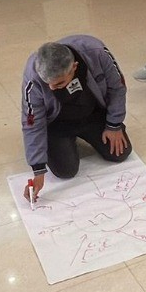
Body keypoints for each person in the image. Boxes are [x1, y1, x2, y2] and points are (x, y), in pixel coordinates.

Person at [20, 36, 131, 204]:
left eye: (59, 84)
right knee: (65, 171)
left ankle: (87, 133)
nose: (51, 88)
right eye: (48, 84)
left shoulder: (97, 52)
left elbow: (117, 88)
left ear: (74, 67)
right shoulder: (33, 76)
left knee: (120, 153)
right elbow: (32, 122)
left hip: (93, 114)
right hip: (58, 124)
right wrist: (38, 169)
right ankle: (64, 141)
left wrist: (114, 125)